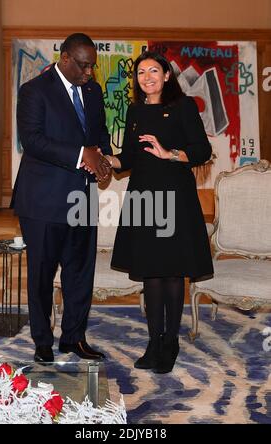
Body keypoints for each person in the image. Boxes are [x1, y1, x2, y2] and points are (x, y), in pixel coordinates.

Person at [105, 51, 214, 374]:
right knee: (151, 272)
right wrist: (106, 160)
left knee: (172, 271)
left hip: (176, 198)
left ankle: (171, 342)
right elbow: (128, 157)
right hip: (143, 197)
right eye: (141, 72)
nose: (147, 76)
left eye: (154, 70)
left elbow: (202, 151)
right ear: (136, 79)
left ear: (167, 75)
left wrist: (170, 154)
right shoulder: (135, 110)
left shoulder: (183, 106)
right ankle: (154, 341)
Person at [11, 33, 112, 363]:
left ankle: (74, 338)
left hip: (83, 198)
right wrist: (84, 154)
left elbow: (100, 136)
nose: (89, 73)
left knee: (80, 272)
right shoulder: (34, 91)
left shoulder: (93, 92)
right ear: (65, 59)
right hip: (43, 199)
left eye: (92, 67)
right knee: (41, 273)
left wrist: (105, 162)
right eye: (83, 66)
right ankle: (42, 340)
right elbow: (33, 141)